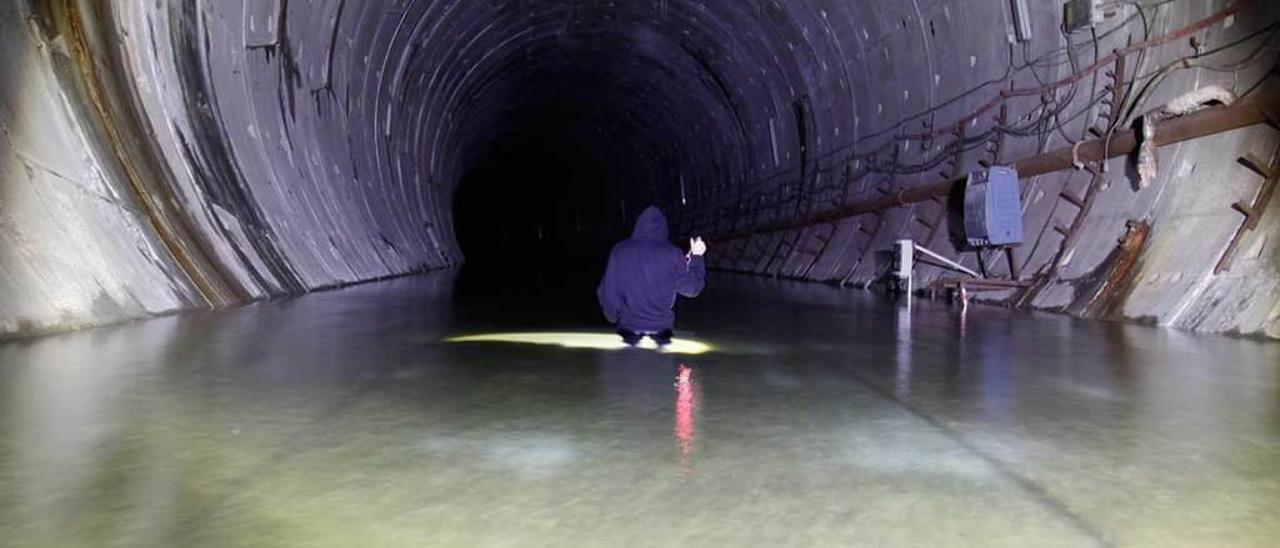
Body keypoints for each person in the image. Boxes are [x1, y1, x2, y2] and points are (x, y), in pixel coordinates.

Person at [597, 206, 707, 346]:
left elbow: (607, 290)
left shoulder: (619, 251)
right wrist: (696, 256)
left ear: (638, 225)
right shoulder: (672, 254)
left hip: (628, 329)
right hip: (662, 330)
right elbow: (693, 288)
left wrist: (613, 315)